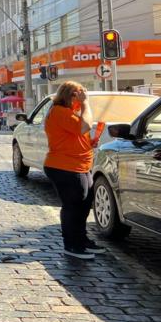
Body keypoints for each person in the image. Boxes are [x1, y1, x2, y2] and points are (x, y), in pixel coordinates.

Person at [43, 81, 105, 260]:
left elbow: (77, 135)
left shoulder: (70, 113)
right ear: (69, 95)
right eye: (79, 94)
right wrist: (85, 104)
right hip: (65, 166)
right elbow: (84, 127)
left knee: (84, 205)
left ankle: (81, 239)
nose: (82, 97)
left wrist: (90, 143)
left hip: (80, 165)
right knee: (73, 206)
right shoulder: (59, 111)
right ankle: (72, 244)